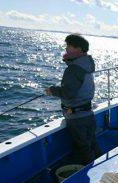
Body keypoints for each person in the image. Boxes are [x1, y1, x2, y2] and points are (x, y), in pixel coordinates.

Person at [45, 34, 101, 165]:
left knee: (83, 148)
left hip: (77, 118)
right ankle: (102, 166)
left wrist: (52, 90)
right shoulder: (86, 64)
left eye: (69, 46)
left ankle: (92, 174)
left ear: (79, 49)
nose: (66, 49)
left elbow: (68, 93)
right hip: (88, 113)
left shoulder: (74, 69)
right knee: (92, 143)